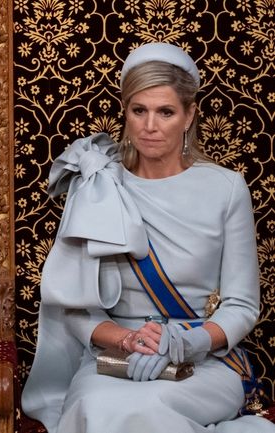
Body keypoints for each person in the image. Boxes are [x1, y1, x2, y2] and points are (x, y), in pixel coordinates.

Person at [20, 43, 275, 432]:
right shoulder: (98, 186)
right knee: (97, 407)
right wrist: (127, 340)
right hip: (115, 359)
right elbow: (75, 308)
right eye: (139, 110)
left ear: (189, 115)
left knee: (150, 410)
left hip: (202, 362)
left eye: (166, 112)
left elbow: (241, 307)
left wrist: (186, 343)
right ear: (125, 112)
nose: (150, 126)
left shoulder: (226, 188)